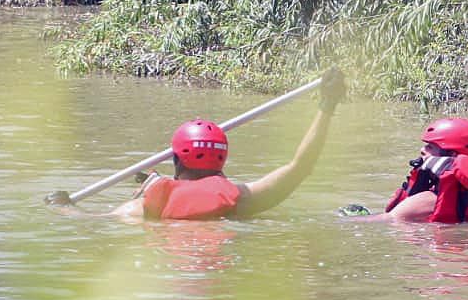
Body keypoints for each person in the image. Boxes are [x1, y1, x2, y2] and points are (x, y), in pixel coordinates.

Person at [109, 69, 344, 221]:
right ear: (222, 157)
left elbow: (91, 221)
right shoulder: (242, 200)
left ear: (177, 160)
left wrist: (70, 207)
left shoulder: (143, 209)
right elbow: (301, 166)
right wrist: (327, 105)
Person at [341, 117, 468, 222]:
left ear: (452, 154)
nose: (423, 150)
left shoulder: (427, 201)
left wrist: (349, 219)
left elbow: (384, 223)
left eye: (431, 146)